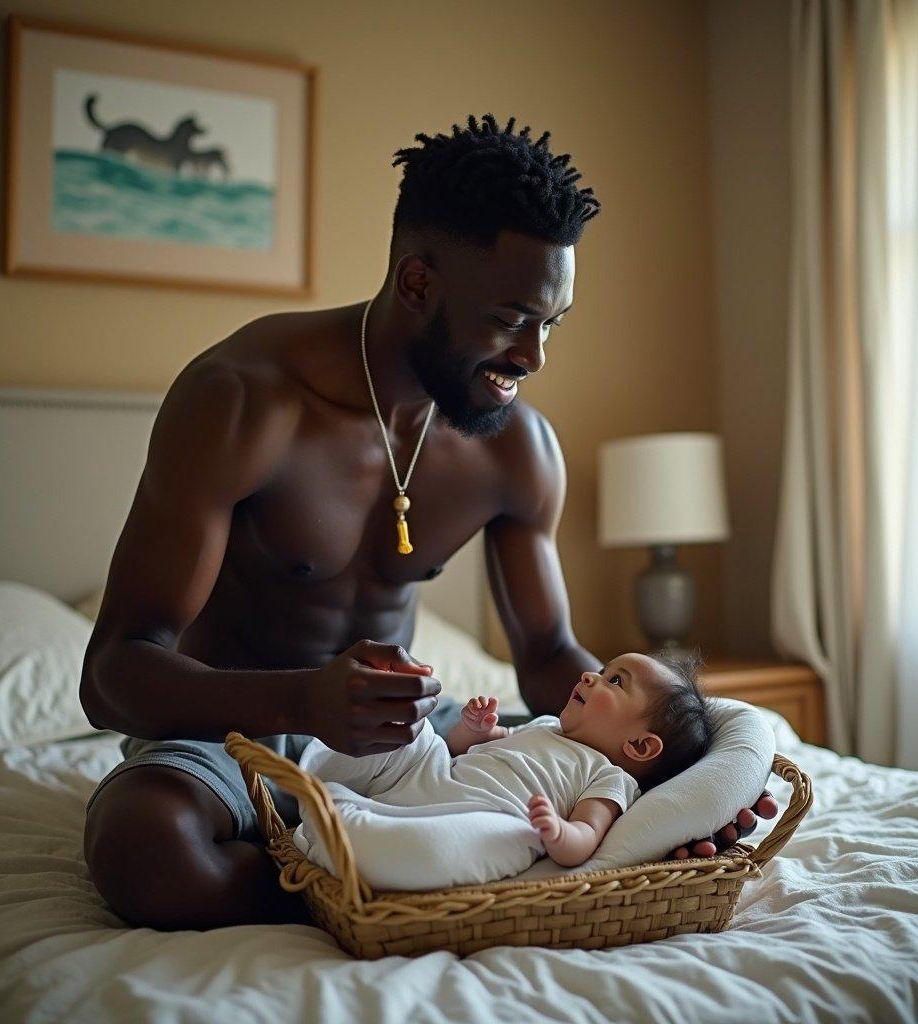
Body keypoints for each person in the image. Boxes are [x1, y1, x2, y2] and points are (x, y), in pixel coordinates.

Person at [80, 112, 777, 931]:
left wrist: (666, 795)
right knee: (144, 848)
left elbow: (550, 656)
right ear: (418, 284)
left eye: (552, 323)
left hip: (423, 746)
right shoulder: (243, 400)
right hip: (235, 733)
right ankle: (428, 882)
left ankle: (389, 868)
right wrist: (304, 698)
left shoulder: (517, 447)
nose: (535, 358)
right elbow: (111, 675)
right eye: (513, 318)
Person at [292, 651, 714, 888]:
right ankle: (323, 780)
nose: (590, 675)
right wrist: (474, 731)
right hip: (436, 777)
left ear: (640, 745)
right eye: (603, 670)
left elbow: (587, 837)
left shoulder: (608, 777)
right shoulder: (546, 725)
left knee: (484, 845)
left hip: (481, 818)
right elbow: (462, 751)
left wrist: (556, 832)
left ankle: (342, 823)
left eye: (615, 682)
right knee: (413, 731)